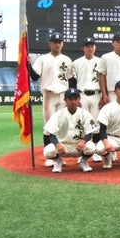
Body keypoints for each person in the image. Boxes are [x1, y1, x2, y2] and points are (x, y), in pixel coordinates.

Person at [28, 31, 75, 166]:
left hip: (64, 95)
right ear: (50, 44)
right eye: (54, 42)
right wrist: (28, 64)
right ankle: (50, 157)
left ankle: (59, 155)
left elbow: (71, 79)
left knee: (61, 125)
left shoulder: (67, 59)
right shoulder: (43, 59)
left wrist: (73, 97)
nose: (57, 44)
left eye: (59, 42)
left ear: (62, 44)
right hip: (49, 95)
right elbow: (35, 77)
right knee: (49, 125)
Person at [43, 88, 97, 173]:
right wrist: (57, 144)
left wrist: (83, 141)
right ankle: (58, 162)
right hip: (62, 146)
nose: (73, 101)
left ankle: (83, 161)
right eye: (70, 99)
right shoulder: (58, 115)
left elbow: (89, 132)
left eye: (75, 99)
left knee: (91, 147)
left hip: (78, 146)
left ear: (79, 100)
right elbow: (51, 134)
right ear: (65, 100)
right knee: (48, 151)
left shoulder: (85, 114)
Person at [72, 36, 102, 162]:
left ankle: (95, 150)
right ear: (83, 48)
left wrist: (103, 96)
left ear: (95, 47)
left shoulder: (101, 61)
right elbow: (73, 81)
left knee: (96, 123)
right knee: (82, 123)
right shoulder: (76, 63)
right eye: (87, 46)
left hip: (96, 94)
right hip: (82, 95)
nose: (90, 48)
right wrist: (75, 98)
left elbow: (103, 80)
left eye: (92, 46)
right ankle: (83, 151)